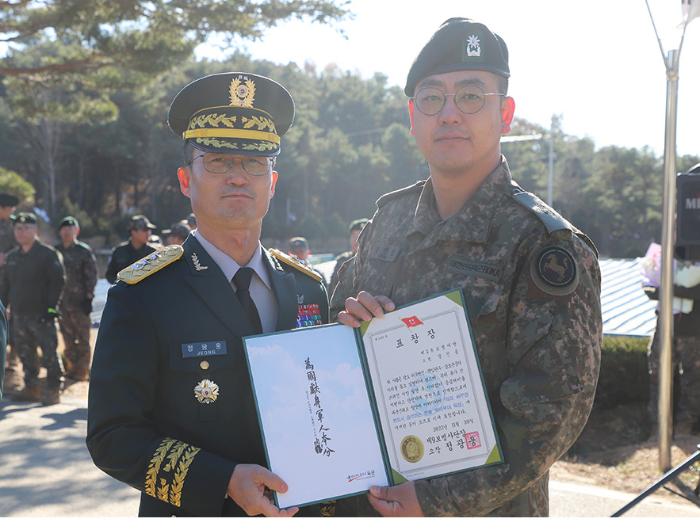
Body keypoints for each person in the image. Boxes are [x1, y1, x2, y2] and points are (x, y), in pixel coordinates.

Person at [331, 18, 602, 517]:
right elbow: (334, 345)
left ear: (506, 113)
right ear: (413, 116)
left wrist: (437, 499)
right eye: (432, 98)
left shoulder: (544, 245)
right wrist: (347, 325)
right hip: (371, 498)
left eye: (472, 96)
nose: (450, 114)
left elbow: (551, 411)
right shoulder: (385, 223)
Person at [87, 72, 329, 517]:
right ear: (185, 179)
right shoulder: (143, 295)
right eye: (217, 161)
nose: (238, 177)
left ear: (272, 184)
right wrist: (221, 480)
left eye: (255, 164)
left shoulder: (308, 288)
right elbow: (112, 435)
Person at [0, 212, 65, 405]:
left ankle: (53, 390)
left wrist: (52, 310)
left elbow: (58, 283)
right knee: (25, 353)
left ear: (35, 230)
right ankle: (32, 387)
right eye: (18, 228)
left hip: (42, 314)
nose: (21, 232)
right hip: (19, 315)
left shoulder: (48, 254)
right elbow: (4, 287)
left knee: (50, 354)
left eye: (26, 228)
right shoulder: (12, 257)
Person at [55, 216, 98, 382]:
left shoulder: (83, 251)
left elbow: (92, 276)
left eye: (71, 229)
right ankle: (72, 368)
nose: (67, 232)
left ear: (77, 231)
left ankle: (82, 371)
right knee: (67, 338)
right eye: (64, 229)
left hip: (80, 303)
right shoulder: (55, 251)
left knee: (83, 338)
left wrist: (88, 298)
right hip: (61, 303)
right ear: (60, 232)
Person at [104, 215, 157, 284]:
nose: (148, 233)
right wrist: (122, 286)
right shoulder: (119, 252)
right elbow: (110, 275)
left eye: (149, 230)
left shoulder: (153, 253)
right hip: (124, 293)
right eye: (144, 230)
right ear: (133, 232)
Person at [329, 218, 368, 296]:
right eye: (354, 236)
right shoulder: (342, 261)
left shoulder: (375, 262)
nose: (356, 241)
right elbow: (332, 291)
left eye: (360, 236)